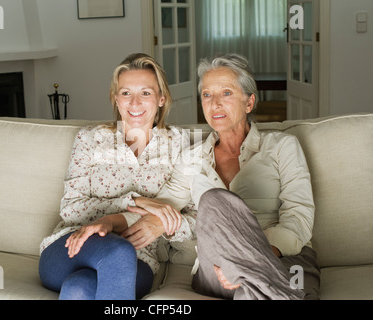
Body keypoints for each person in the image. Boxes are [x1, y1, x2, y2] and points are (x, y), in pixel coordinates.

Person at [128, 53, 320, 300]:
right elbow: (164, 205)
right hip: (216, 268)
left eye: (226, 93)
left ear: (249, 103)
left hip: (283, 257)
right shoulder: (191, 158)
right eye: (207, 95)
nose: (214, 103)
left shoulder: (282, 146)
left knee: (247, 290)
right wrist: (136, 205)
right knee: (214, 201)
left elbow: (299, 215)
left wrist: (253, 258)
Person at [38, 53, 190, 300]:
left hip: (140, 257)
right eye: (126, 93)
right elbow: (70, 210)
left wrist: (161, 222)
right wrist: (136, 201)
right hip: (74, 245)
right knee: (118, 251)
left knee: (80, 289)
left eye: (146, 93)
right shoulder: (90, 139)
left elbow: (193, 217)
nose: (135, 102)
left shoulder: (179, 144)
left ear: (162, 99)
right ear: (115, 99)